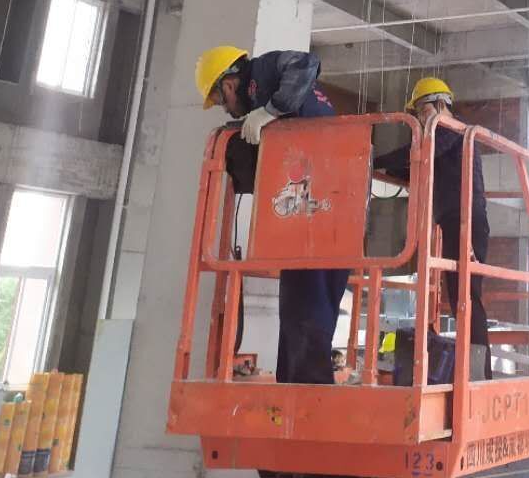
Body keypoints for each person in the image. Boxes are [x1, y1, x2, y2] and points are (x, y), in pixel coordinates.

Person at [195, 45, 348, 385]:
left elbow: (307, 62)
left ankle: (307, 389)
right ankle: (294, 382)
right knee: (302, 302)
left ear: (229, 85)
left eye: (221, 100)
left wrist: (269, 112)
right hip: (318, 198)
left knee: (307, 300)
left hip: (321, 197)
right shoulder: (260, 96)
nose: (226, 107)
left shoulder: (263, 71)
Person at [373, 76, 492, 379]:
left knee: (466, 298)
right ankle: (473, 372)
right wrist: (381, 165)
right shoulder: (441, 140)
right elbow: (413, 162)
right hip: (456, 223)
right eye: (418, 115)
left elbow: (418, 152)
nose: (422, 119)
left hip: (467, 223)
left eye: (423, 111)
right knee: (460, 297)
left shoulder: (452, 130)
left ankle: (479, 374)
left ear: (441, 104)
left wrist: (374, 159)